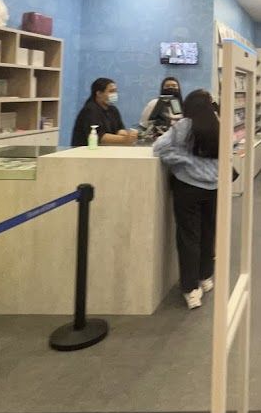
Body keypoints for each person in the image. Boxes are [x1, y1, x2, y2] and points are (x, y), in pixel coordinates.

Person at [153, 90, 220, 310]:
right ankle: (206, 277)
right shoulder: (218, 123)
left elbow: (159, 148)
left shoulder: (184, 126)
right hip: (212, 186)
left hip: (188, 187)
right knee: (208, 232)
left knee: (188, 237)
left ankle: (191, 290)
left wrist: (183, 161)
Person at [71, 78, 138, 146]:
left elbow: (119, 130)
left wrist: (130, 135)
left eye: (115, 91)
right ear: (99, 93)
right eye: (111, 91)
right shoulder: (90, 110)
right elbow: (99, 137)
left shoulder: (113, 109)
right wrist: (124, 140)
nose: (114, 94)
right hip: (85, 152)